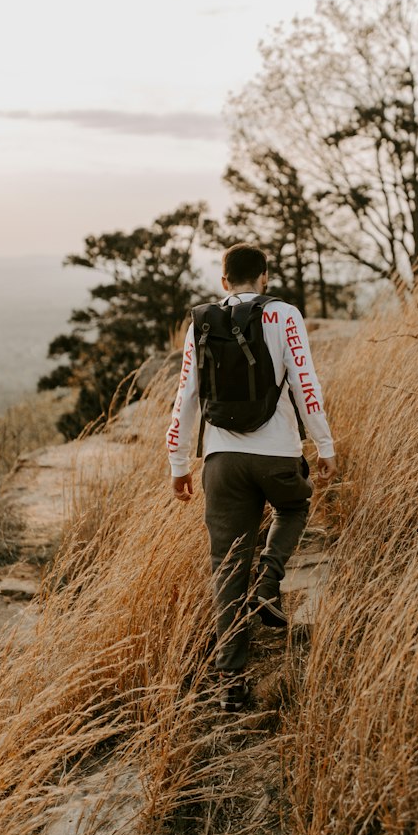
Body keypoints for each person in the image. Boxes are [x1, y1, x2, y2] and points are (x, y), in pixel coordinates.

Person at [166, 242, 336, 711]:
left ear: (224, 282)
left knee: (225, 567)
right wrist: (324, 444)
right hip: (277, 454)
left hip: (221, 461)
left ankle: (232, 686)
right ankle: (268, 581)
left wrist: (178, 462)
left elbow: (186, 395)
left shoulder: (201, 321)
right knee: (295, 506)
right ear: (265, 276)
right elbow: (305, 382)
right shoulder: (284, 316)